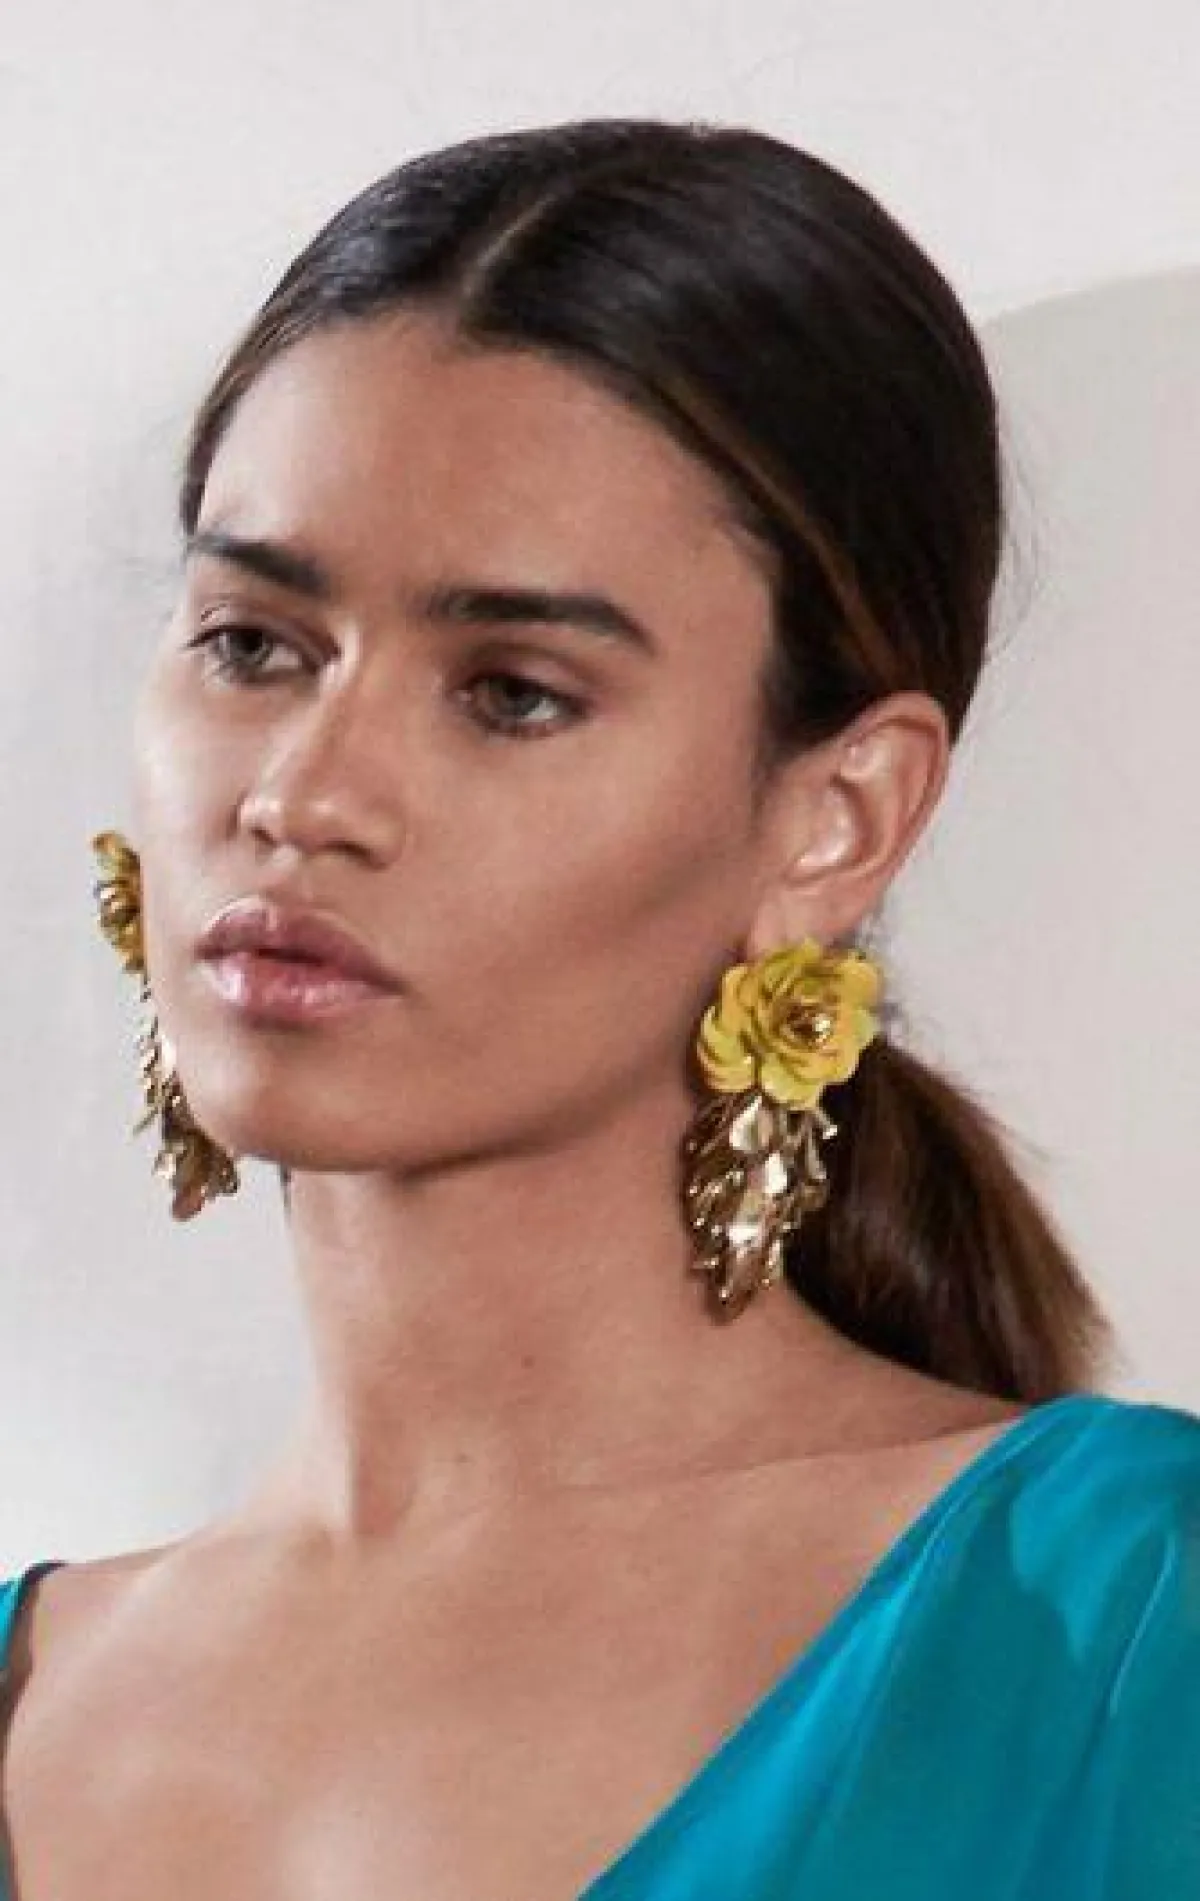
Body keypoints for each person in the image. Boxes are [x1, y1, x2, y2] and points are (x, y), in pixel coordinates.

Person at [1, 115, 1196, 1899]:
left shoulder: (1121, 1627)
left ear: (836, 817)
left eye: (512, 691)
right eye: (253, 643)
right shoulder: (33, 1687)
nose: (304, 794)